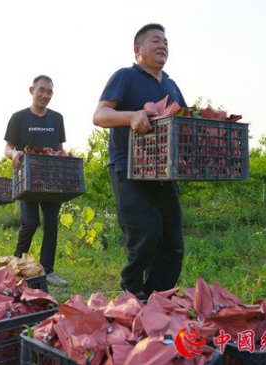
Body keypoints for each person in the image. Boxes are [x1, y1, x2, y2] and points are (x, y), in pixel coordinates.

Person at [92, 23, 186, 299]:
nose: (163, 46)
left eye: (166, 42)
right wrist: (132, 116)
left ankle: (157, 297)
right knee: (146, 231)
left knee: (172, 240)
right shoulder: (125, 77)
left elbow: (181, 123)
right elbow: (99, 116)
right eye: (156, 41)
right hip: (129, 168)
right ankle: (131, 292)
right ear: (137, 50)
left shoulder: (171, 85)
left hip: (163, 172)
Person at [4, 75, 68, 286]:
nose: (45, 95)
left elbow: (59, 148)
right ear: (32, 91)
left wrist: (66, 155)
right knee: (30, 222)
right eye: (41, 90)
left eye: (49, 91)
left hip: (51, 178)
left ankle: (48, 270)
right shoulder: (18, 118)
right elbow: (7, 148)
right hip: (27, 178)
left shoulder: (57, 118)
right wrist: (13, 154)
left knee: (51, 224)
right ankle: (17, 262)